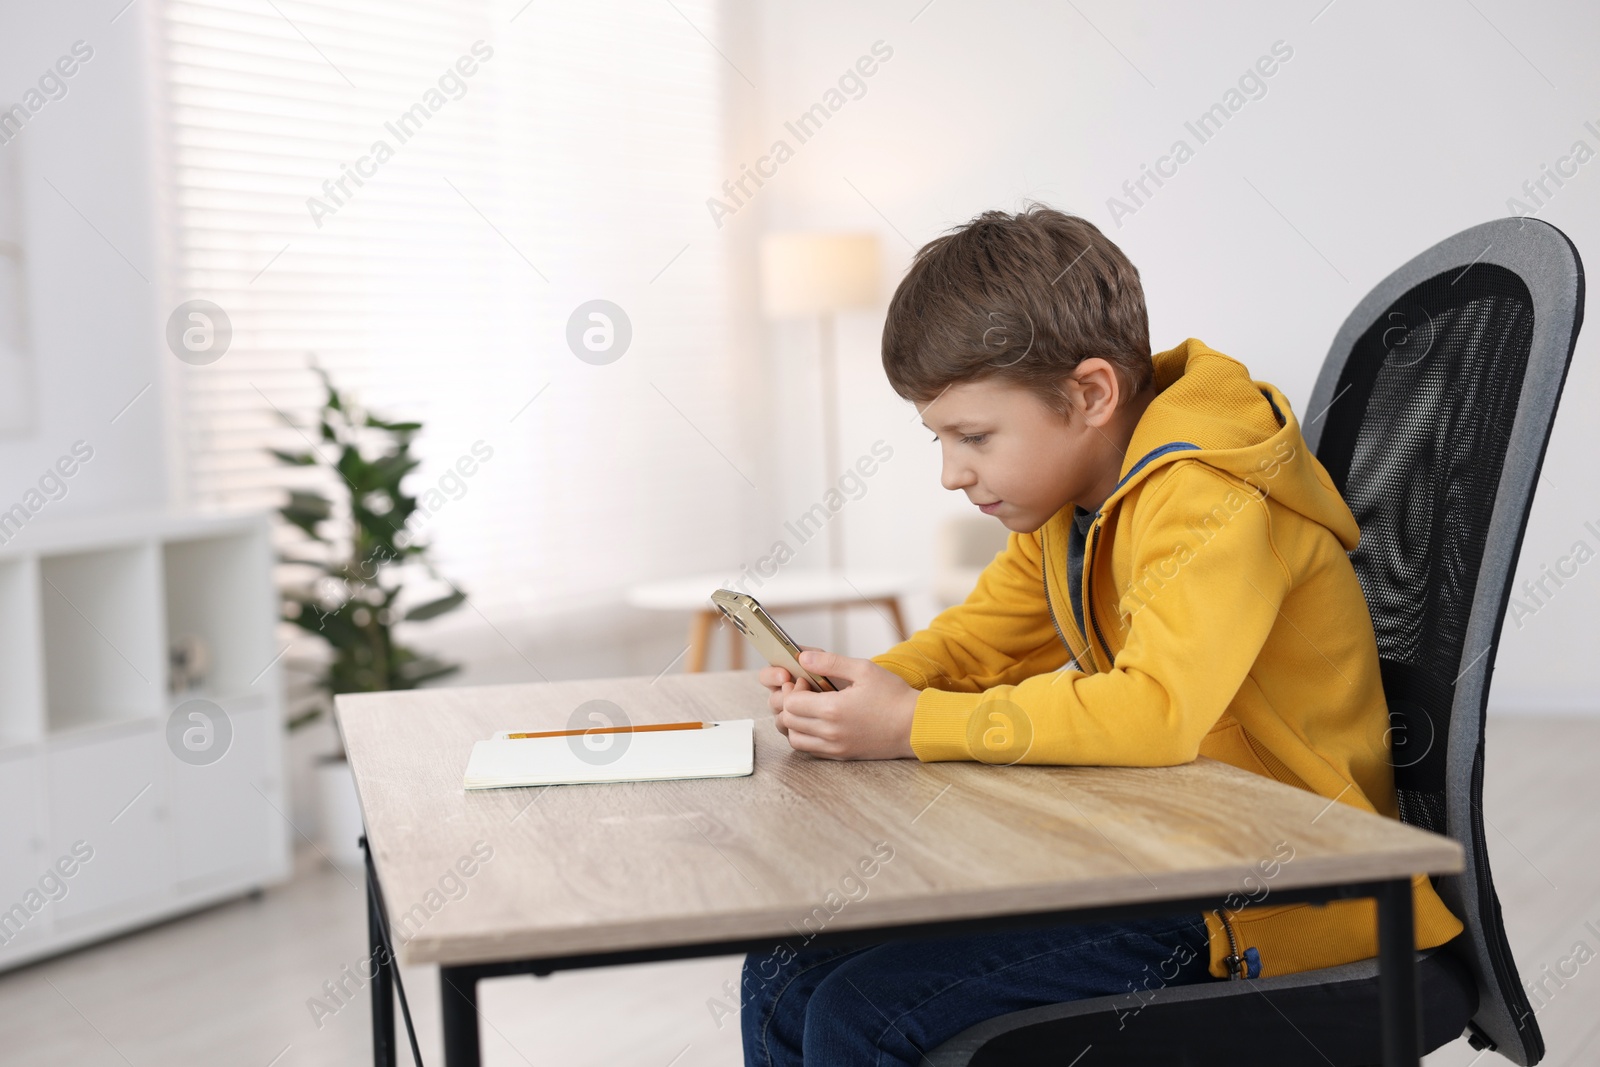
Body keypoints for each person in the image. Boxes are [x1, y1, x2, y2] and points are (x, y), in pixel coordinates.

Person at [740, 204, 1464, 1067]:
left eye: (973, 436)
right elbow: (981, 640)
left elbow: (1155, 709)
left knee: (865, 1013)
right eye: (938, 437)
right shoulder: (1069, 505)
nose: (950, 472)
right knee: (781, 969)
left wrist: (909, 723)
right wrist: (863, 688)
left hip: (1272, 887)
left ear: (1089, 393)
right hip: (1162, 851)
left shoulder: (1205, 497)